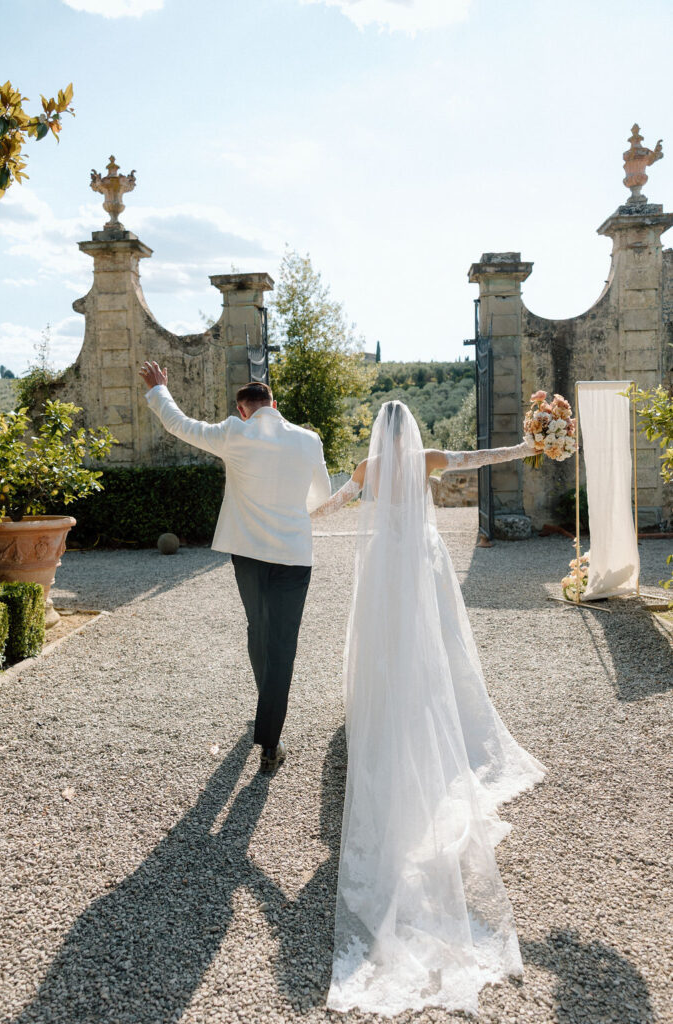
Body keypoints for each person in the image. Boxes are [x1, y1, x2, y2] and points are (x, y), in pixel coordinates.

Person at [311, 400, 546, 1017]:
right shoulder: (430, 459)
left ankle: (387, 706)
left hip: (386, 570)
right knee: (437, 644)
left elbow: (336, 501)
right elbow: (483, 458)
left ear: (376, 433)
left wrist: (300, 514)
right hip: (422, 563)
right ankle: (431, 710)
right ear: (410, 429)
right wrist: (529, 447)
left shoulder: (366, 468)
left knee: (384, 643)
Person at [139, 361, 331, 772]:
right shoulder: (309, 439)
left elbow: (179, 424)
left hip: (247, 552)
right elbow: (322, 493)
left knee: (257, 629)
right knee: (283, 644)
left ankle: (267, 717)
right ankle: (269, 744)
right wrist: (291, 513)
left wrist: (159, 390)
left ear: (244, 410)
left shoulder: (233, 432)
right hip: (295, 554)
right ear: (273, 405)